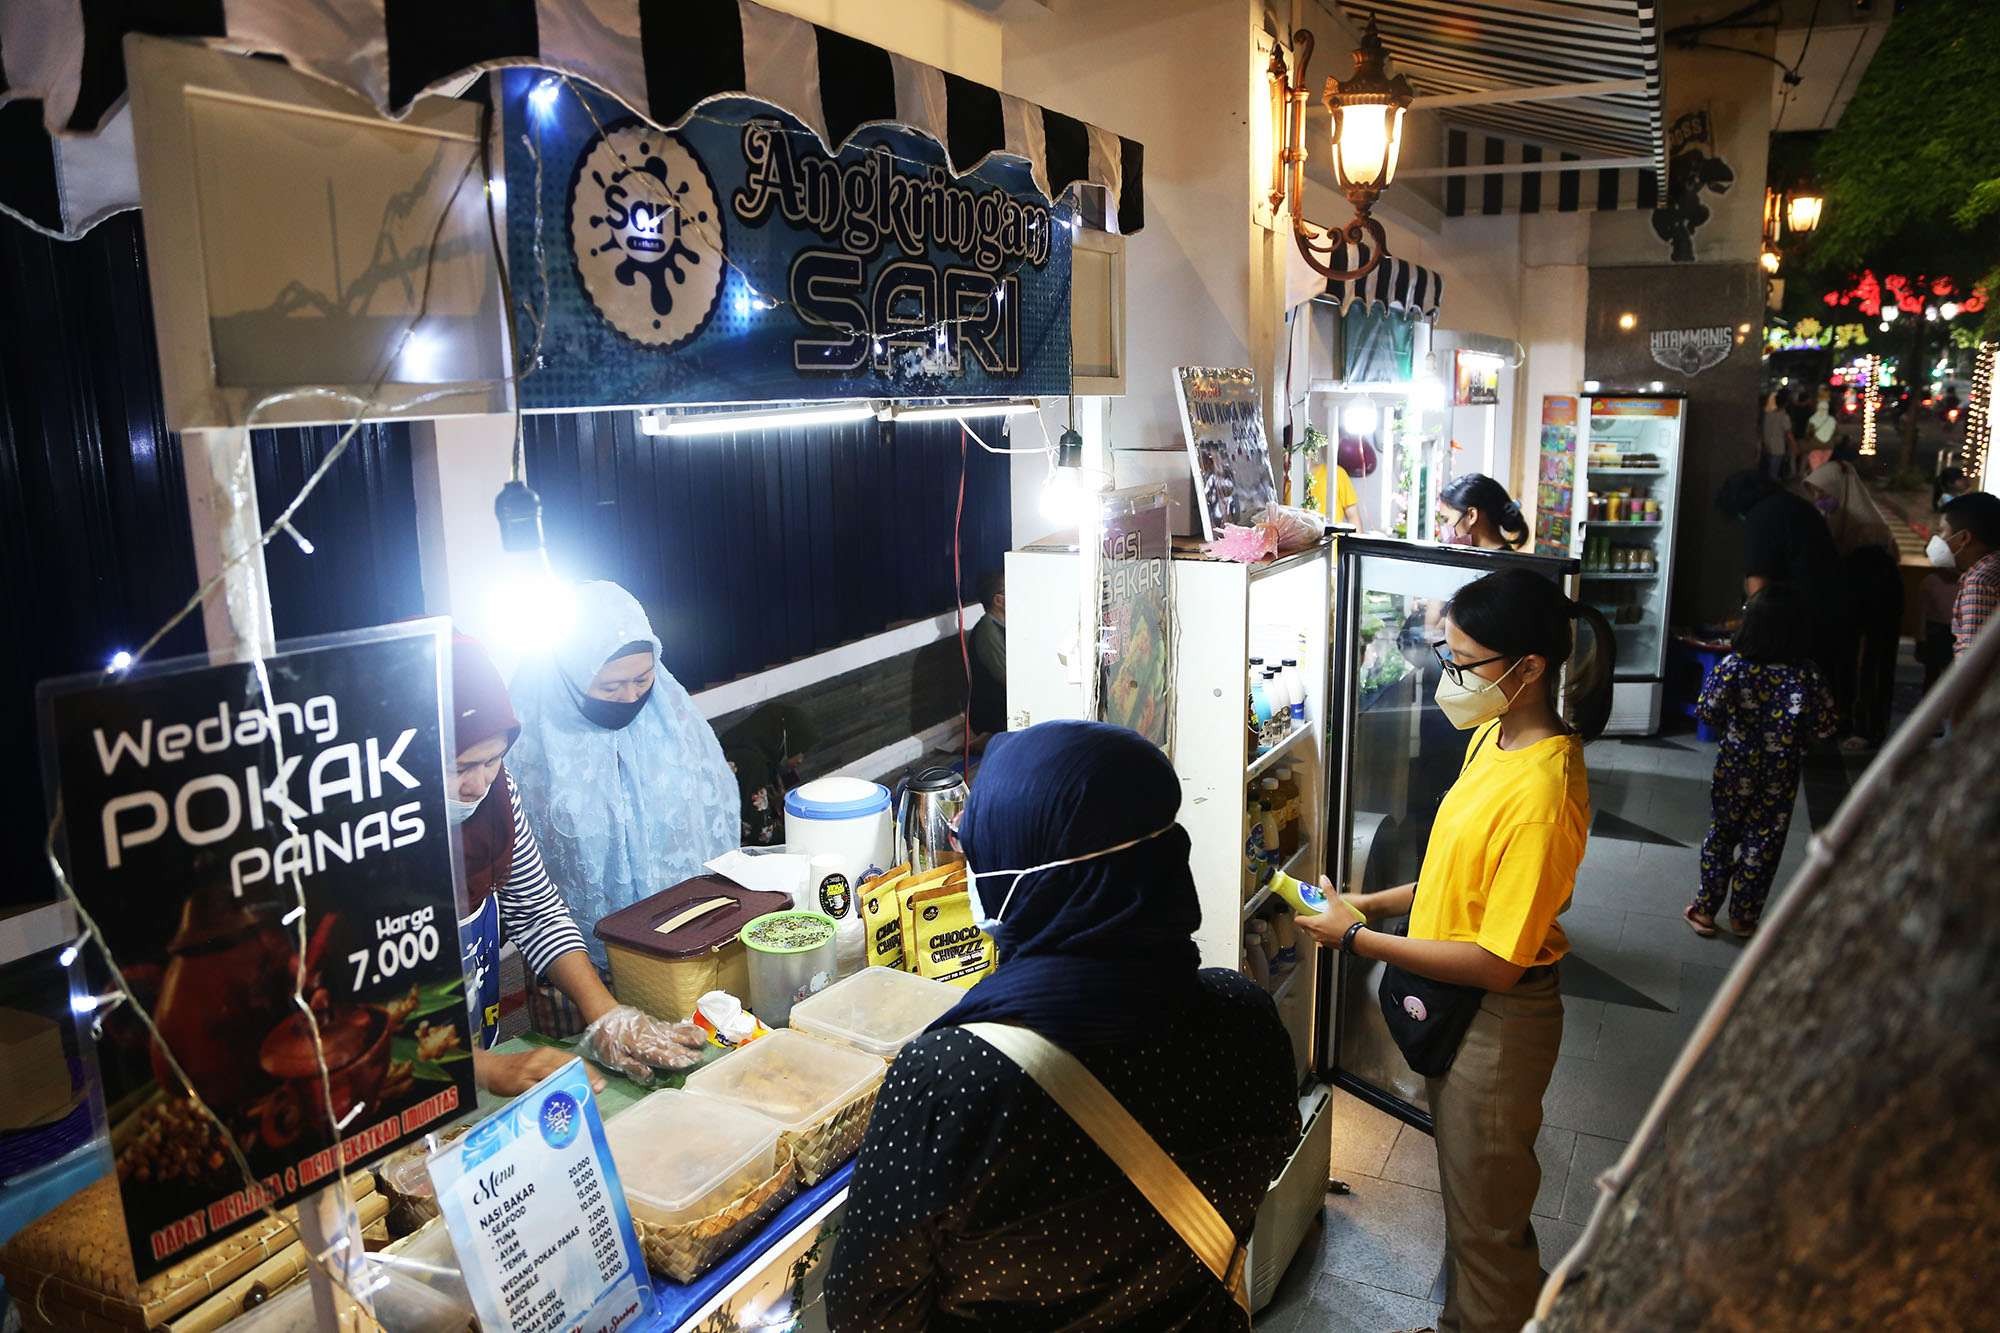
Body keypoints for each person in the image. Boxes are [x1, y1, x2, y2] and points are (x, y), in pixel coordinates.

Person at [826, 721, 1299, 1331]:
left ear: (1033, 880)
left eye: (981, 854)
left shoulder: (949, 1080)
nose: (970, 873)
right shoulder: (1247, 1020)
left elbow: (866, 1316)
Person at [1296, 569, 1614, 1333]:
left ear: (1529, 667)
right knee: (1476, 1193)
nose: (1452, 677)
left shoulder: (1544, 792)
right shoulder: (1493, 735)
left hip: (1498, 1019)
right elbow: (1455, 872)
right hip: (1465, 1007)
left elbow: (1498, 959)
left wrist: (1355, 937)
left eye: (1466, 662)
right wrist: (1372, 902)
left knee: (1487, 1217)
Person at [448, 634, 707, 1093]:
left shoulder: (496, 796)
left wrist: (607, 1015)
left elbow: (535, 911)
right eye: (459, 767)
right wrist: (484, 1070)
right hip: (393, 1086)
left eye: (493, 760)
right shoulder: (355, 846)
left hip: (469, 1029)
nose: (478, 784)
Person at [508, 580, 738, 985]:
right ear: (569, 674)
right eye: (609, 686)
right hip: (571, 961)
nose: (630, 697)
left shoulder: (674, 725)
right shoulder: (534, 747)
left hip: (680, 942)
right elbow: (527, 878)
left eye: (642, 680)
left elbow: (709, 816)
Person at [1683, 587, 1837, 940]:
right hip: (1780, 774)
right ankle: (1745, 918)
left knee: (1722, 835)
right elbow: (1827, 725)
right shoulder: (1807, 675)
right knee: (1764, 842)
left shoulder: (1734, 667)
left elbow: (1708, 711)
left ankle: (1705, 910)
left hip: (1735, 766)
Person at [1715, 470, 1847, 711]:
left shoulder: (1761, 516)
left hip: (1797, 616)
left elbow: (1758, 580)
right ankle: (1813, 735)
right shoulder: (1796, 506)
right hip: (1830, 607)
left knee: (1784, 691)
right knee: (1814, 687)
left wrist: (1750, 624)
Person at [1802, 442, 1903, 747]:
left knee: (1870, 659)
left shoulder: (1866, 534)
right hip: (1860, 596)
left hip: (1875, 595)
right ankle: (1844, 719)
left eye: (1824, 496)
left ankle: (1866, 727)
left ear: (1841, 494)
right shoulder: (1849, 527)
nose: (1820, 504)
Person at [719, 703, 819, 846]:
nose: (801, 759)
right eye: (801, 750)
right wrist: (801, 835)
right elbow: (759, 832)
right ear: (790, 741)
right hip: (731, 847)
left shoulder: (747, 750)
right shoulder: (752, 763)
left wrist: (777, 805)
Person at [1935, 492, 2000, 657]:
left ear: (1964, 538)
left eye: (1942, 531)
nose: (1938, 540)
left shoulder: (1980, 582)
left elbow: (1974, 659)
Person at [1437, 473, 1529, 550]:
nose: (1443, 531)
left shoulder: (1504, 568)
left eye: (1446, 520)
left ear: (1471, 515)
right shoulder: (1476, 558)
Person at [967, 570, 1007, 740]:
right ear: (999, 600)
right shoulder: (987, 631)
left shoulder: (1005, 625)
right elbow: (1007, 679)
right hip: (993, 715)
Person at [1760, 391, 1795, 482]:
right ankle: (1771, 486)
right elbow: (1788, 433)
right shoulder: (1784, 417)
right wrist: (1794, 445)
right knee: (1774, 470)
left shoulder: (1768, 414)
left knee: (1768, 468)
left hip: (1767, 445)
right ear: (1786, 404)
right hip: (1778, 446)